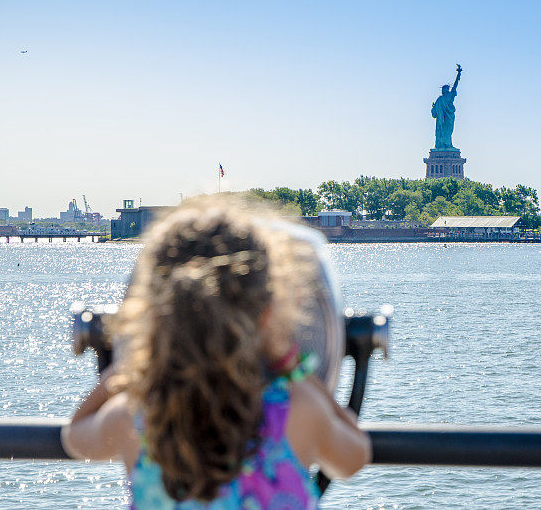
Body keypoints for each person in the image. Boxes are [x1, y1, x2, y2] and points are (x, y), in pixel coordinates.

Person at [62, 195, 371, 509]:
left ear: (152, 318)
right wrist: (293, 368)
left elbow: (75, 438)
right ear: (267, 314)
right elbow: (354, 458)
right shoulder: (300, 410)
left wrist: (128, 369)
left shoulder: (133, 417)